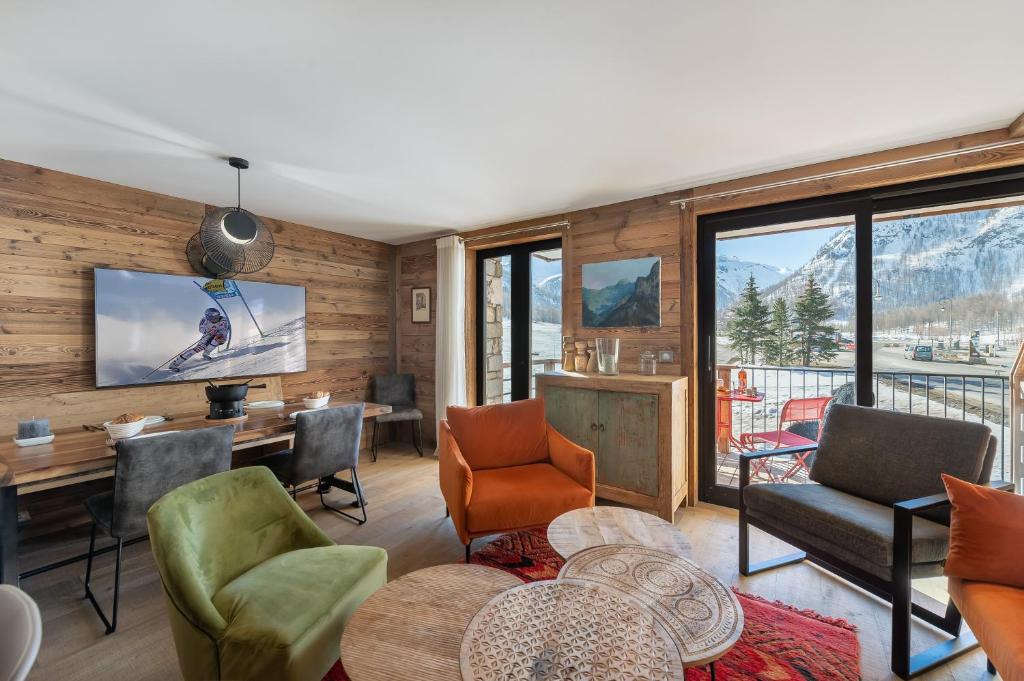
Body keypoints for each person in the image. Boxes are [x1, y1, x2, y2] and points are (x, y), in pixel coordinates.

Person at [169, 308, 231, 372]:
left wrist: (217, 332)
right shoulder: (204, 320)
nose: (216, 319)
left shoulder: (223, 320)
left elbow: (223, 330)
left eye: (217, 317)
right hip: (208, 335)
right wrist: (207, 331)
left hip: (220, 336)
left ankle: (206, 353)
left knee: (217, 339)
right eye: (213, 318)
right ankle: (175, 364)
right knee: (197, 349)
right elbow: (201, 329)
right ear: (208, 317)